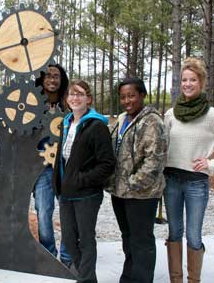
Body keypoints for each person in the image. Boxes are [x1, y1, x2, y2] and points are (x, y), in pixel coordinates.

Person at [163, 58, 214, 283]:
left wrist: (212, 163)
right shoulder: (171, 114)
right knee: (174, 232)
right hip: (171, 180)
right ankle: (176, 279)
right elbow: (164, 145)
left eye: (193, 80)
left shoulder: (213, 115)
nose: (188, 84)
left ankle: (193, 280)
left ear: (202, 83)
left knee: (193, 236)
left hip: (196, 182)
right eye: (185, 80)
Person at [52, 79, 116, 283]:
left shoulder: (97, 126)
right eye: (71, 94)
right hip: (66, 193)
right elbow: (62, 159)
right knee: (70, 242)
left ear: (88, 98)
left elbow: (107, 164)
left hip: (86, 194)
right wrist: (58, 184)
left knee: (86, 240)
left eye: (80, 94)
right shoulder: (67, 123)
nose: (75, 98)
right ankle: (87, 277)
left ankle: (86, 280)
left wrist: (82, 179)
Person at [107, 78, 168, 283]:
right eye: (123, 96)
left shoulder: (152, 121)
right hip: (120, 192)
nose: (127, 100)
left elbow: (155, 161)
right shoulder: (123, 118)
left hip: (141, 194)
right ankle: (128, 277)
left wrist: (133, 183)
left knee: (142, 241)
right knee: (128, 238)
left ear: (142, 95)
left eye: (131, 95)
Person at [33, 64, 71, 266]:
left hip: (65, 166)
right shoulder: (33, 104)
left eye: (56, 76)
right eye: (48, 76)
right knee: (43, 211)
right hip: (41, 167)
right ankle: (48, 254)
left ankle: (66, 256)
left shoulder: (69, 105)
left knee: (68, 210)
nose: (52, 80)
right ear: (42, 80)